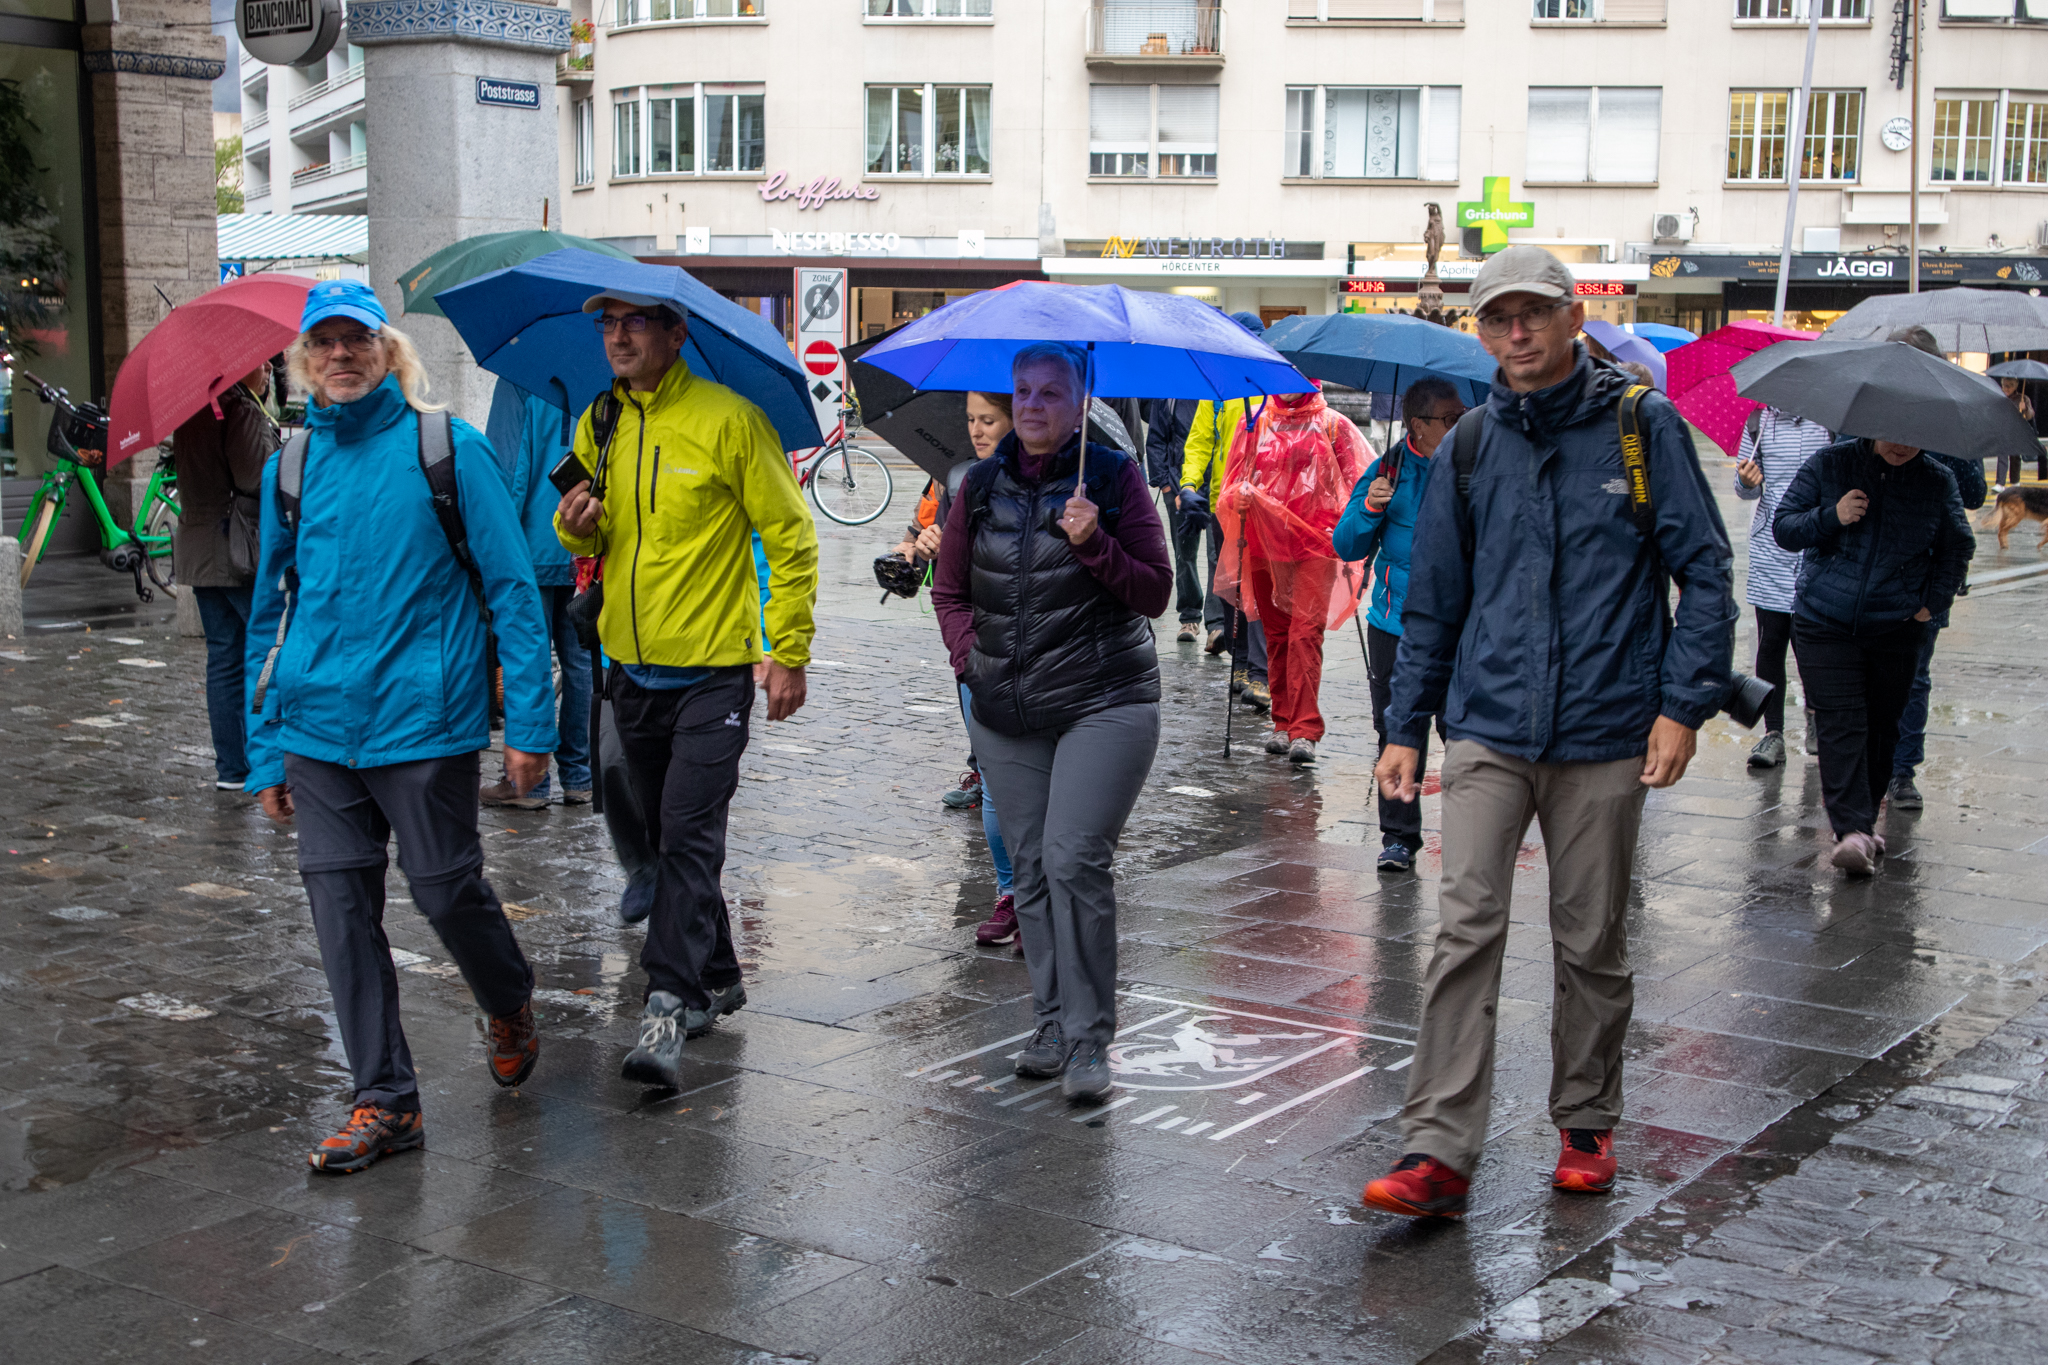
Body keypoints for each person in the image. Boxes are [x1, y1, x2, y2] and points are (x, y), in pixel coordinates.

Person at [1362, 247, 1736, 1218]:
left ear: (1573, 317)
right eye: (1497, 319)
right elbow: (1434, 598)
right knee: (1463, 931)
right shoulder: (1472, 443)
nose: (1515, 334)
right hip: (1487, 725)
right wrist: (1404, 727)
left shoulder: (1636, 428)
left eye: (1532, 314)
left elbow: (1704, 571)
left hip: (1607, 728)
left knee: (1590, 938)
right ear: (1481, 333)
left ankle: (1584, 1123)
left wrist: (1680, 705)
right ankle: (1437, 1149)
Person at [245, 280, 558, 1173]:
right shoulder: (292, 464)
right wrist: (264, 745)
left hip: (425, 720)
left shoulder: (445, 449)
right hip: (315, 727)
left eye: (357, 341)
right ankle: (385, 1100)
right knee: (341, 914)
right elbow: (271, 609)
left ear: (388, 353)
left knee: (443, 888)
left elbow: (512, 592)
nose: (341, 357)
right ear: (306, 360)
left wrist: (528, 725)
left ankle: (507, 995)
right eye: (324, 344)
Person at [555, 288, 819, 1089]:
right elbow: (593, 538)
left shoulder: (730, 420)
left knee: (688, 835)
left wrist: (790, 649)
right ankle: (720, 972)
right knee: (672, 841)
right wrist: (577, 523)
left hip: (713, 672)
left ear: (676, 333)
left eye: (635, 321)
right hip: (628, 667)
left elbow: (791, 532)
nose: (617, 336)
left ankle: (667, 1000)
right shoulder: (599, 423)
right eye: (606, 322)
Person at [931, 341, 1170, 1103]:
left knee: (1073, 858)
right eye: (1022, 392)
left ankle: (1092, 1037)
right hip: (1006, 706)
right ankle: (1051, 1018)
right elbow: (950, 592)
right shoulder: (979, 485)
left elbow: (1156, 592)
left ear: (1078, 401)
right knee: (1029, 866)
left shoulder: (1113, 478)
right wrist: (971, 660)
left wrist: (1093, 542)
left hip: (1106, 699)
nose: (1032, 406)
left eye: (1049, 393)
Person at [1775, 435, 1973, 874]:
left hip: (1896, 626)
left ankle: (1859, 827)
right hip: (1824, 619)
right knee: (1840, 722)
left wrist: (1931, 603)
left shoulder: (1937, 480)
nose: (1903, 446)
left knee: (1884, 726)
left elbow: (1957, 547)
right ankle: (1851, 831)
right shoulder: (1830, 464)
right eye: (1893, 436)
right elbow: (1785, 527)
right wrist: (1833, 515)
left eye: (1915, 437)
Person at [889, 394, 1022, 948]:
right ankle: (1011, 893)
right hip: (981, 654)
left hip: (1049, 653)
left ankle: (1046, 893)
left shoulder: (1080, 482)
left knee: (1037, 788)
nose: (976, 431)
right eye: (970, 421)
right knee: (995, 778)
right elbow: (942, 588)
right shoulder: (957, 481)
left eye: (988, 420)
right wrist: (928, 547)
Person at [1332, 376, 1465, 871]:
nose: (1459, 426)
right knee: (1395, 730)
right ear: (1418, 425)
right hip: (1395, 625)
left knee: (1465, 732)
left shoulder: (1473, 465)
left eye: (1462, 417)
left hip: (1459, 625)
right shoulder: (1386, 470)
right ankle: (1399, 837)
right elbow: (1346, 545)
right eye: (1449, 419)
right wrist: (1370, 508)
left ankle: (1473, 830)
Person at [1214, 383, 1371, 765]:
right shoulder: (1253, 425)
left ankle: (1304, 729)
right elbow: (1229, 485)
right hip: (1266, 545)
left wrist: (1348, 529)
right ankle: (1282, 723)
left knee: (1305, 632)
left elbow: (1358, 483)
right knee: (1277, 635)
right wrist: (1240, 496)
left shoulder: (1334, 426)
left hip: (1316, 546)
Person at [1879, 327, 1988, 811]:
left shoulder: (1952, 419)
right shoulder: (1868, 412)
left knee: (1914, 676)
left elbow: (1974, 494)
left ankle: (1902, 770)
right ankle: (1867, 764)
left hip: (1926, 576)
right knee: (1862, 676)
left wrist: (1940, 443)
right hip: (1871, 572)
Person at [480, 381, 594, 810]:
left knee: (526, 659)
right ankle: (579, 777)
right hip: (583, 546)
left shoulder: (518, 379)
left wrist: (494, 548)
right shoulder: (598, 377)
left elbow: (507, 469)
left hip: (529, 547)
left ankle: (528, 783)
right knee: (580, 663)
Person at [173, 361, 279, 792]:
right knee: (266, 652)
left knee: (223, 658)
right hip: (239, 550)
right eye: (260, 364)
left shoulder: (192, 408)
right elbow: (257, 476)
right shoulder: (238, 408)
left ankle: (231, 769)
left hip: (200, 550)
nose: (268, 368)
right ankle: (272, 760)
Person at [1733, 405, 1832, 769]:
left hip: (1817, 544)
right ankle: (1772, 733)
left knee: (1809, 641)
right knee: (1771, 639)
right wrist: (1746, 481)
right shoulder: (1758, 421)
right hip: (1770, 548)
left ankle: (1816, 716)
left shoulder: (1828, 421)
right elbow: (1743, 492)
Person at [1145, 396, 1215, 647]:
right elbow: (1155, 438)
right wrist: (1165, 485)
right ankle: (1189, 616)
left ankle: (1216, 624)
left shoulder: (1220, 394)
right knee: (1184, 553)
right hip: (1178, 485)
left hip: (1217, 483)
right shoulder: (1169, 395)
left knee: (1216, 555)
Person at [1997, 378, 2034, 487]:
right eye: (2004, 385)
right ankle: (2000, 482)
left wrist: (2025, 408)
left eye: (2010, 385)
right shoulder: (1999, 397)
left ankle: (2015, 481)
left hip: (2016, 431)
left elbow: (2029, 416)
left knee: (2015, 457)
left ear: (2016, 386)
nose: (2006, 388)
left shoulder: (2022, 398)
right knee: (2002, 456)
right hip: (2003, 429)